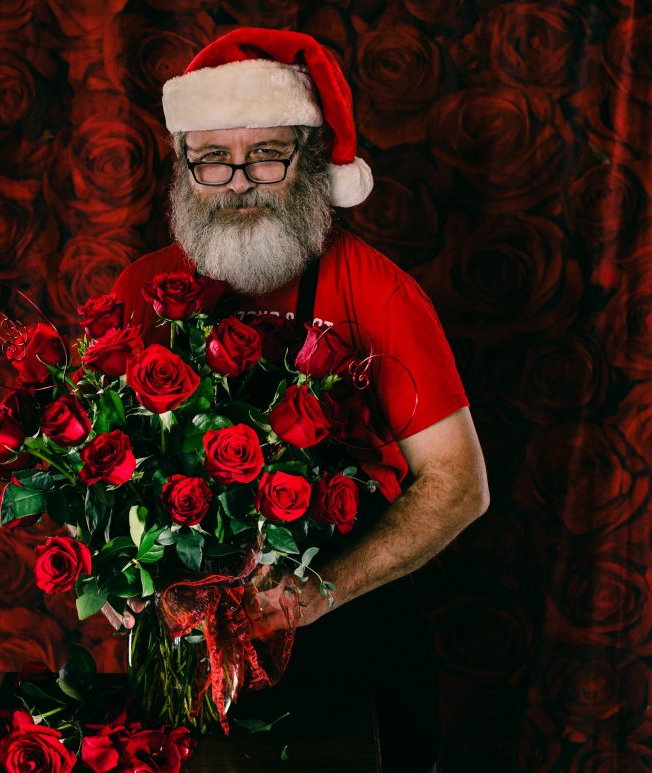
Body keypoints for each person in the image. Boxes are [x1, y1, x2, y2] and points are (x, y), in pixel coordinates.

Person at [107, 28, 490, 770]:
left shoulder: (377, 290)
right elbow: (94, 465)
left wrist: (318, 590)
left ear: (312, 164)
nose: (239, 179)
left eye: (268, 156)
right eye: (213, 159)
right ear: (185, 167)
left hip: (352, 646)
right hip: (187, 662)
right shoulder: (140, 289)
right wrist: (114, 565)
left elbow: (459, 481)